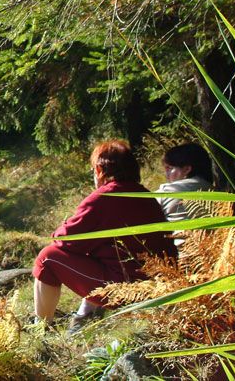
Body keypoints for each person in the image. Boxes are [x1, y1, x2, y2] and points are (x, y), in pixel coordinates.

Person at [32, 140, 176, 329]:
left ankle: (41, 328)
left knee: (47, 258)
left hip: (127, 288)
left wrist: (62, 227)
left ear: (100, 170)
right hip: (161, 283)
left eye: (93, 170)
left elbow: (66, 240)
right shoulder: (144, 195)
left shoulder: (105, 198)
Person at [157, 143, 213, 223]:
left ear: (187, 169)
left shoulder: (168, 191)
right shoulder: (217, 192)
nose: (166, 174)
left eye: (169, 168)